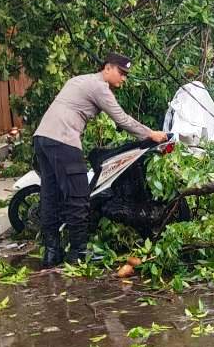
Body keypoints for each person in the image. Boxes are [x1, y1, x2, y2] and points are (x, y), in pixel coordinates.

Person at [33, 53, 167, 267]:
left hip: (42, 139)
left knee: (50, 196)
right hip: (63, 140)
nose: (123, 78)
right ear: (107, 68)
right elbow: (121, 119)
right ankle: (78, 253)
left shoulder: (78, 80)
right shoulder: (99, 87)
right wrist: (150, 134)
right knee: (79, 198)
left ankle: (51, 253)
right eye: (121, 73)